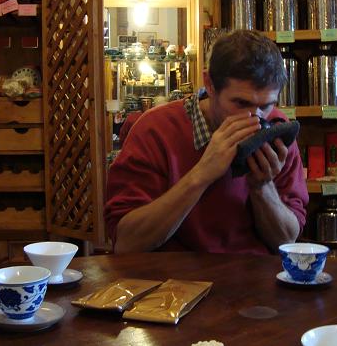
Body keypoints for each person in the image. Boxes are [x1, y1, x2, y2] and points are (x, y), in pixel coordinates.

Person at [104, 30, 308, 254]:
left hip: (255, 273)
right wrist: (202, 174)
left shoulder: (277, 131)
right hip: (174, 274)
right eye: (241, 103)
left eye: (266, 105)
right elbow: (127, 243)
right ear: (209, 85)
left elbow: (287, 241)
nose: (255, 119)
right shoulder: (155, 130)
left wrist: (262, 186)